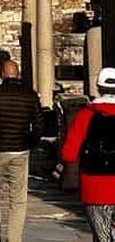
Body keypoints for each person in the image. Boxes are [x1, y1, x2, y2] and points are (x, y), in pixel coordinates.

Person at [0, 60, 42, 242]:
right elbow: (39, 124)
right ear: (19, 75)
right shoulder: (30, 95)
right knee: (18, 198)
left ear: (3, 75)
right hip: (20, 150)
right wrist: (29, 142)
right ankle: (14, 239)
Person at [60, 67, 115, 242]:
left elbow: (68, 153)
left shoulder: (85, 115)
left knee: (102, 236)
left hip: (95, 187)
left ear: (98, 88)